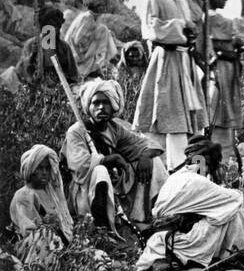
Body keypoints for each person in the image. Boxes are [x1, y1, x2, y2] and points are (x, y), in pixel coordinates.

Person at [133, 0, 208, 169]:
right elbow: (151, 27)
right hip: (166, 59)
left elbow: (196, 21)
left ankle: (191, 165)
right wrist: (180, 27)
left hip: (186, 61)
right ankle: (168, 166)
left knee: (190, 117)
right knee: (168, 114)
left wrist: (194, 29)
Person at [65, 78, 167, 230]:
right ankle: (102, 227)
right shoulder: (77, 131)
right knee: (100, 171)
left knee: (153, 162)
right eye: (96, 103)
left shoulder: (114, 128)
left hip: (113, 183)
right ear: (89, 106)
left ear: (113, 106)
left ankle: (144, 216)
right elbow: (79, 166)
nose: (101, 107)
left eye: (106, 103)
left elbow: (144, 144)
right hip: (84, 191)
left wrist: (145, 156)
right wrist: (107, 160)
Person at [135, 161, 244, 271]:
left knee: (223, 212)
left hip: (168, 227)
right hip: (181, 233)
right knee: (235, 212)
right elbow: (234, 199)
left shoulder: (177, 177)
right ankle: (230, 255)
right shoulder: (196, 181)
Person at [191, 0, 244, 171]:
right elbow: (243, 24)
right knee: (218, 129)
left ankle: (210, 170)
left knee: (215, 127)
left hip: (221, 79)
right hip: (219, 80)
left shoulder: (205, 21)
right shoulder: (213, 21)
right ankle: (216, 170)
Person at [8, 144, 74, 263]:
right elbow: (30, 232)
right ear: (31, 170)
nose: (44, 172)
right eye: (40, 168)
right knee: (44, 240)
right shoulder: (23, 195)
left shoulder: (51, 193)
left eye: (47, 168)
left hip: (58, 245)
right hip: (34, 248)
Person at [5, 4, 80, 91]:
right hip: (34, 89)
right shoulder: (31, 45)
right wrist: (32, 55)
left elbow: (73, 75)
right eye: (48, 28)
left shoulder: (64, 47)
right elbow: (22, 72)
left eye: (55, 27)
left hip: (59, 90)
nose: (52, 32)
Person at [62, 0, 121, 80]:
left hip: (75, 57)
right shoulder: (87, 18)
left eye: (105, 5)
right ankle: (104, 65)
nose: (105, 8)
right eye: (102, 5)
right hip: (74, 59)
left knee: (105, 32)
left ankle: (107, 63)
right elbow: (79, 41)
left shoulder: (89, 17)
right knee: (104, 31)